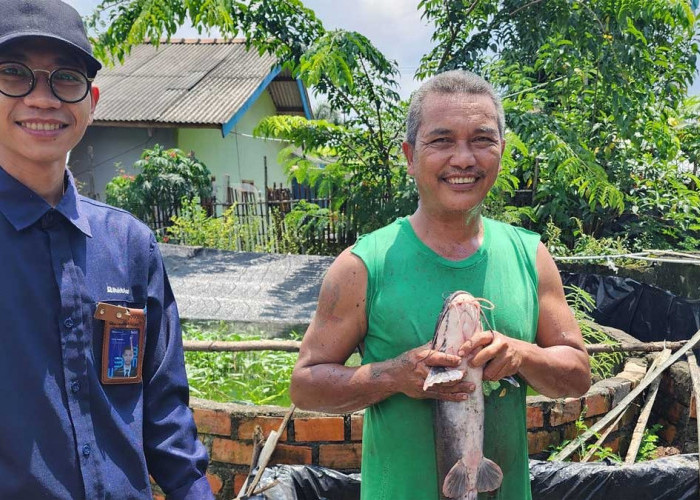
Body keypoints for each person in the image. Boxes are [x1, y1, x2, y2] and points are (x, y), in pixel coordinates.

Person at [290, 70, 591, 499]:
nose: (464, 159)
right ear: (411, 156)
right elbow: (305, 386)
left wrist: (521, 354)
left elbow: (578, 375)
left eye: (482, 140)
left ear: (501, 151)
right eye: (443, 140)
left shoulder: (532, 257)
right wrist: (393, 375)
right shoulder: (362, 266)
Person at [0, 1, 213, 498]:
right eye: (14, 74)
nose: (43, 99)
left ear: (91, 101)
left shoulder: (129, 245)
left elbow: (163, 410)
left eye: (66, 79)